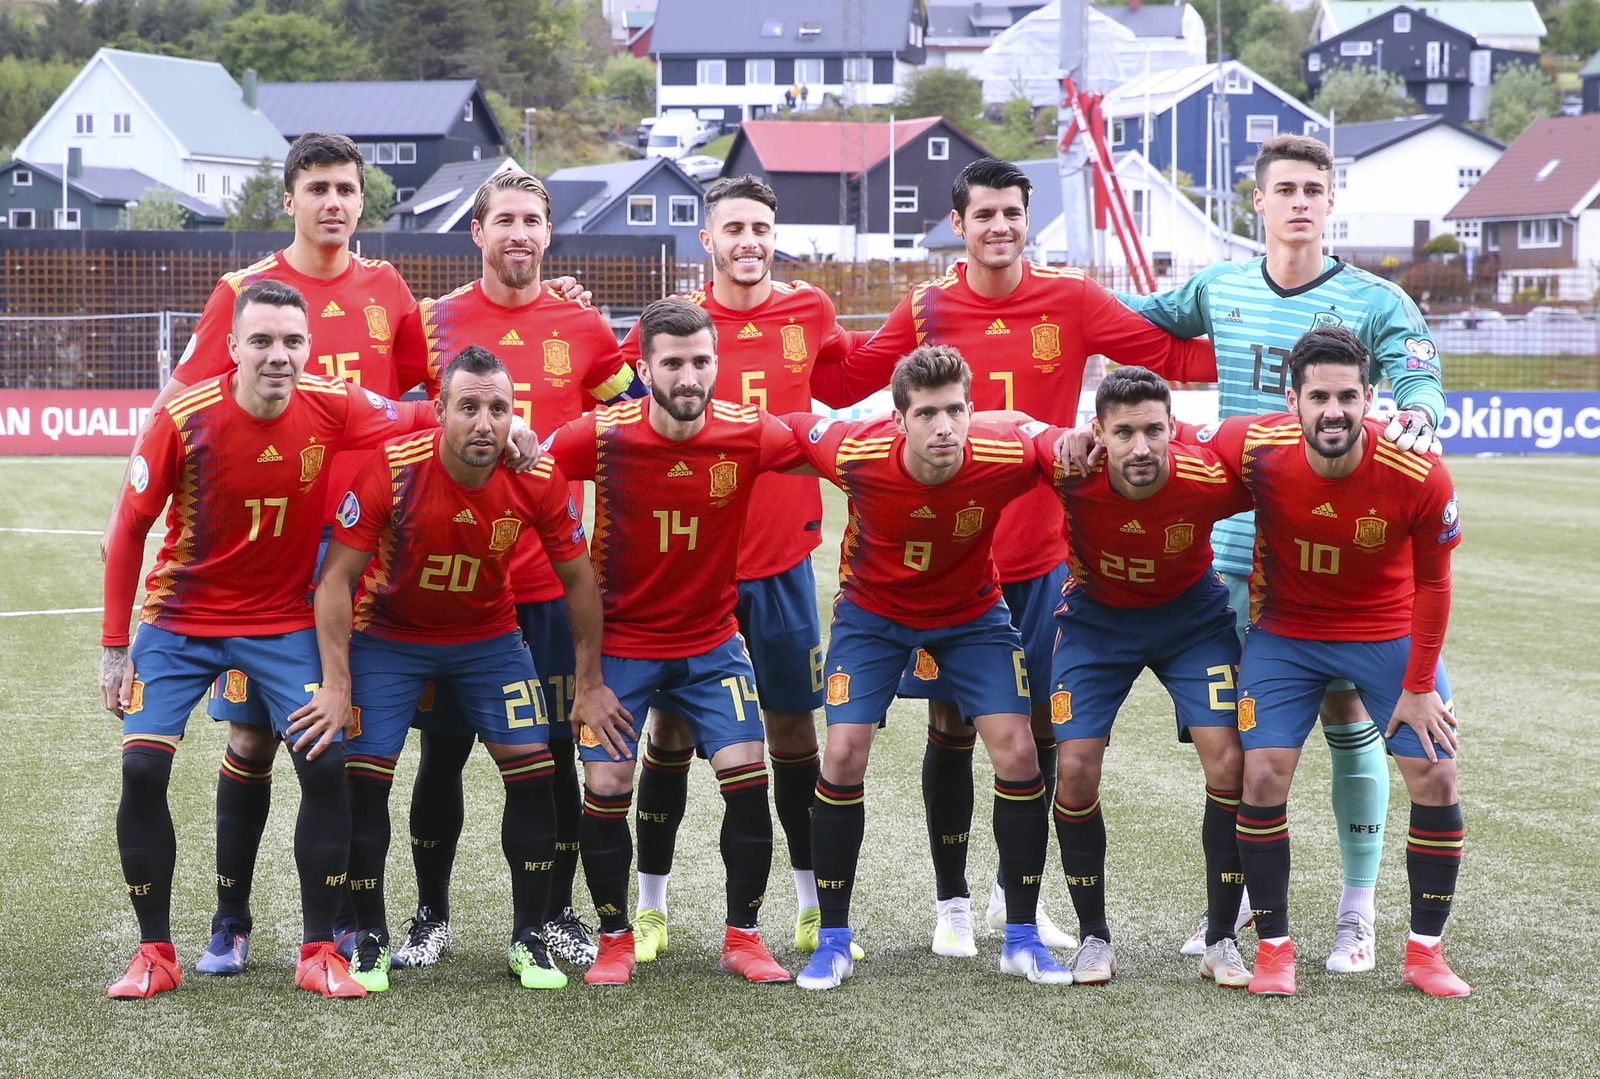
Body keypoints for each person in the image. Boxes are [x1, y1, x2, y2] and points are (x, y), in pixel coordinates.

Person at [811, 157, 1215, 956]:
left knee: (1035, 735)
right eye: (984, 213)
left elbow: (1167, 358)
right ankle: (952, 900)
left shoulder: (1071, 297)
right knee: (951, 725)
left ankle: (1012, 897)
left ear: (1028, 221)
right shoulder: (926, 306)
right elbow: (848, 373)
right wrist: (779, 322)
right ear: (957, 224)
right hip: (951, 562)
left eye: (1013, 213)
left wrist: (1250, 340)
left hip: (1043, 559)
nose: (1000, 226)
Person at [1115, 134, 1448, 966]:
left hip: (1339, 549)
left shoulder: (1375, 299)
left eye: (1315, 188)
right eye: (1285, 188)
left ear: (1330, 202)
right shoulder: (1219, 286)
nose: (1300, 201)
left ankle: (1357, 909)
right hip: (1234, 548)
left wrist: (1422, 414)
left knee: (1347, 724)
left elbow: (1416, 375)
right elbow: (1126, 324)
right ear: (1255, 203)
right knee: (1234, 745)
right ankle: (1225, 912)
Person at [102, 132, 426, 976]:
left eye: (347, 188)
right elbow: (176, 412)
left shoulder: (389, 287)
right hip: (233, 568)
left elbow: (421, 400)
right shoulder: (239, 294)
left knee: (343, 746)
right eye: (316, 186)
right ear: (289, 198)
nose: (333, 201)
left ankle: (342, 931)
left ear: (363, 200)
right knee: (245, 744)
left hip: (346, 553)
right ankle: (227, 921)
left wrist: (502, 422)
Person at [382, 170, 642, 972]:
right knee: (445, 751)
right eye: (505, 220)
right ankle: (430, 913)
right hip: (455, 585)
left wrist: (555, 446)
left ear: (549, 231)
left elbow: (632, 419)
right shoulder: (430, 322)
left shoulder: (584, 324)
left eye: (533, 219)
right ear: (477, 231)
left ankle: (554, 911)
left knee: (557, 753)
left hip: (548, 588)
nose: (519, 233)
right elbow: (391, 422)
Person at [304, 345, 626, 993]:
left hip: (489, 640)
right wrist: (338, 683)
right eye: (469, 407)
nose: (485, 422)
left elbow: (579, 582)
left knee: (535, 772)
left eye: (499, 408)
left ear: (515, 417)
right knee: (365, 781)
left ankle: (528, 935)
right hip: (390, 640)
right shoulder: (393, 468)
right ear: (440, 412)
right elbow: (334, 579)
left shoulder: (535, 475)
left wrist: (590, 682)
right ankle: (369, 935)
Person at [615, 174, 861, 963]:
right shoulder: (672, 327)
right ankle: (650, 907)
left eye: (761, 227)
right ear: (708, 241)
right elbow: (619, 411)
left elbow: (855, 385)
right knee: (674, 730)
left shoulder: (810, 310)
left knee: (791, 734)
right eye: (734, 229)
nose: (749, 241)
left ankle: (805, 905)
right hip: (691, 570)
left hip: (782, 563)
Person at [786, 345, 1072, 991]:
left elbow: (1050, 437)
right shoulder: (855, 450)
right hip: (872, 617)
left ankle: (1020, 935)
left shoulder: (1003, 451)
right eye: (927, 413)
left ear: (972, 411)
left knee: (1020, 750)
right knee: (844, 754)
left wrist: (1071, 439)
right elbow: (783, 429)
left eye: (955, 410)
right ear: (899, 418)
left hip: (973, 616)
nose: (944, 426)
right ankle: (832, 938)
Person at [1196, 326, 1467, 998]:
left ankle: (1425, 954)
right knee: (1260, 774)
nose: (1334, 410)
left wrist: (1416, 686)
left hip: (1388, 631)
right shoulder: (1254, 446)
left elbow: (1435, 584)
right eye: (1319, 395)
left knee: (1436, 774)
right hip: (1286, 633)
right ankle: (1275, 952)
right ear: (1293, 399)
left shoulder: (1419, 470)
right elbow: (1175, 453)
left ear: (1370, 397)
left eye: (1348, 394)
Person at [540, 298, 802, 987]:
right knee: (607, 782)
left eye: (701, 361)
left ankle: (743, 937)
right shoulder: (599, 435)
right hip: (622, 644)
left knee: (749, 777)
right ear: (644, 368)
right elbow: (528, 468)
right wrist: (588, 677)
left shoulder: (748, 431)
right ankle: (615, 937)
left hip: (713, 644)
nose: (690, 377)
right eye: (674, 363)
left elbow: (825, 445)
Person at [1024, 367, 1253, 987]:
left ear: (1174, 429)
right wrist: (1052, 439)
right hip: (1097, 623)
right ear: (1098, 432)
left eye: (1154, 430)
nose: (1141, 447)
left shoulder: (1205, 477)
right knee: (1072, 767)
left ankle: (1222, 937)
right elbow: (1005, 427)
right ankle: (1094, 937)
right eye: (1124, 432)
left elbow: (1284, 454)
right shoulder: (1072, 470)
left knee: (1230, 762)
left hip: (1192, 623)